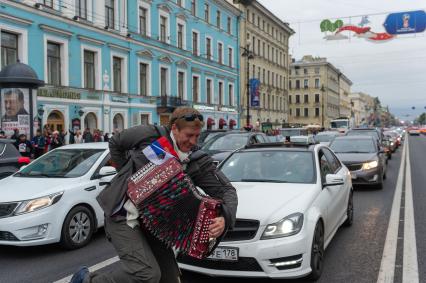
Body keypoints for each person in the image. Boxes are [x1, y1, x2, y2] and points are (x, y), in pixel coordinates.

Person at [70, 107, 238, 283]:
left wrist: (225, 218)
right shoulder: (150, 135)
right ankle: (85, 281)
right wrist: (127, 175)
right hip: (122, 215)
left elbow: (227, 191)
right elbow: (116, 143)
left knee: (170, 278)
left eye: (197, 136)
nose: (193, 142)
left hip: (155, 225)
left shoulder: (197, 161)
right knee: (146, 274)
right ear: (174, 128)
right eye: (189, 135)